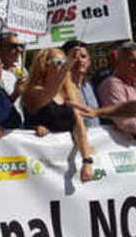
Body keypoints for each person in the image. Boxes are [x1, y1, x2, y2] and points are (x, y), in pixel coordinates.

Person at [22, 48, 94, 182]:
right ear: (45, 66)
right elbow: (50, 92)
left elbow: (79, 126)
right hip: (39, 164)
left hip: (65, 163)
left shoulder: (70, 92)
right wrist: (68, 64)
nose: (64, 66)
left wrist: (87, 160)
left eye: (65, 63)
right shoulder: (33, 91)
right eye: (58, 63)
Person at [96, 42, 136, 148]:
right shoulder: (111, 84)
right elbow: (123, 119)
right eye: (133, 61)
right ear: (119, 63)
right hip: (124, 148)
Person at [61, 40, 100, 128]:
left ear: (89, 61)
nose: (79, 60)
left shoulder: (91, 86)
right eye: (74, 57)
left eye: (83, 56)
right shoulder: (60, 89)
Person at [0, 32, 26, 101]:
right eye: (13, 46)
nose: (19, 50)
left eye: (21, 46)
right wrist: (16, 93)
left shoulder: (20, 69)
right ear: (0, 48)